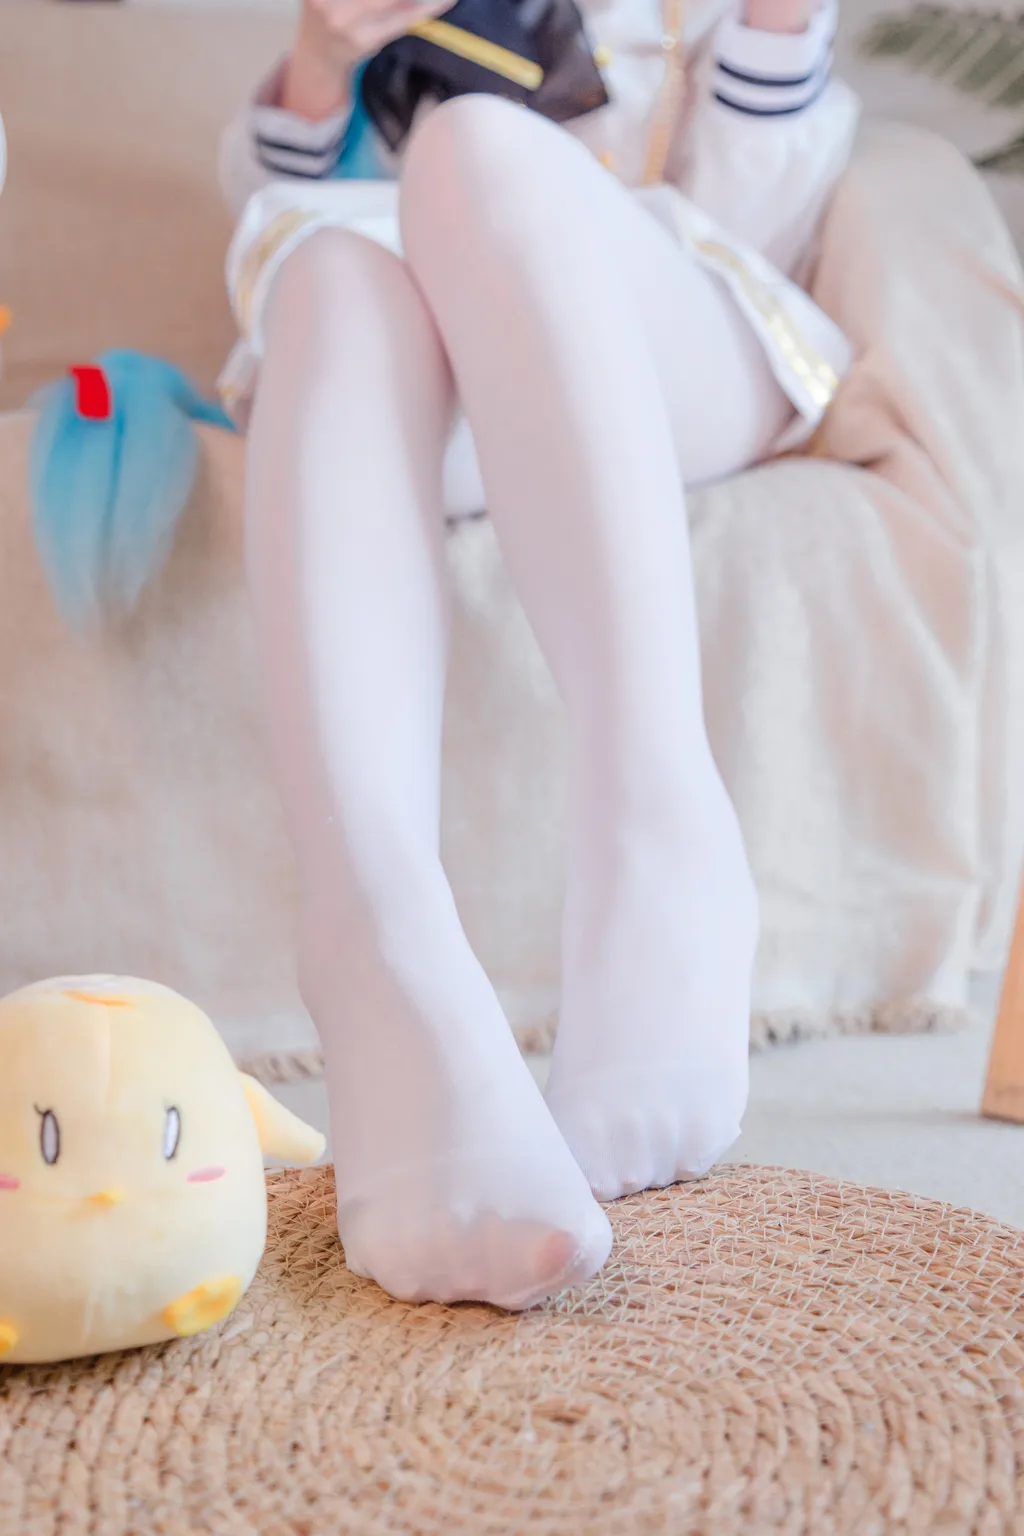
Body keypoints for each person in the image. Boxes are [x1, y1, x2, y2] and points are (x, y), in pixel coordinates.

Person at [217, 0, 860, 1310]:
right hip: (426, 344)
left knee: (476, 147)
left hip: (664, 324)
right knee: (328, 276)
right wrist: (328, 57)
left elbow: (757, 212)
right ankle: (377, 945)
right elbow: (267, 206)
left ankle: (659, 827)